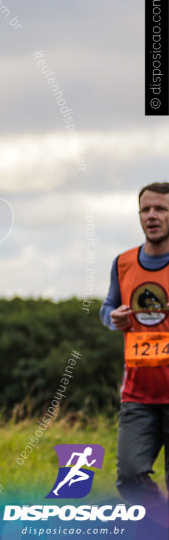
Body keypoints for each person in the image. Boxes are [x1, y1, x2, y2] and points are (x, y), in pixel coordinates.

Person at [100, 181, 169, 530]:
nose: (152, 216)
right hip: (138, 395)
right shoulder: (123, 263)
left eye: (161, 209)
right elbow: (107, 307)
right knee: (128, 477)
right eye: (146, 209)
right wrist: (112, 318)